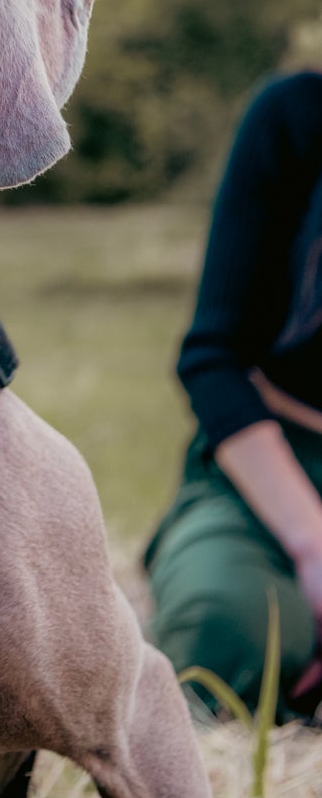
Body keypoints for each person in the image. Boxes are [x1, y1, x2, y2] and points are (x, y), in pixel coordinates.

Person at [146, 69, 322, 721]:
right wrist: (313, 545)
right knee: (229, 626)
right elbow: (212, 360)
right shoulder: (294, 115)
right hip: (273, 465)